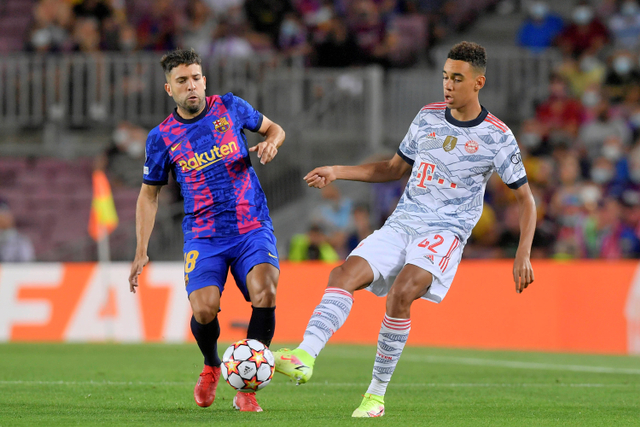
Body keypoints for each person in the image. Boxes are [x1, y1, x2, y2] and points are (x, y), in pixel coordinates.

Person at [273, 41, 536, 418]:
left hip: (444, 233)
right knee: (342, 274)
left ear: (479, 83)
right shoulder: (427, 116)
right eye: (445, 76)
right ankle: (304, 355)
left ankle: (375, 396)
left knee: (401, 293)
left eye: (457, 79)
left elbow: (526, 200)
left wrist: (522, 253)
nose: (447, 85)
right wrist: (338, 170)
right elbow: (394, 168)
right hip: (402, 223)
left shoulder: (497, 136)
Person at [128, 48, 285, 413]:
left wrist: (271, 143)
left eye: (196, 77)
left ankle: (248, 387)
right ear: (169, 89)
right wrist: (140, 250)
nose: (192, 86)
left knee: (267, 290)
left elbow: (274, 128)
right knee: (204, 309)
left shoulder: (230, 106)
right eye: (182, 81)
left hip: (251, 225)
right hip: (204, 234)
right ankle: (213, 365)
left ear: (204, 79)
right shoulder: (161, 137)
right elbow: (148, 196)